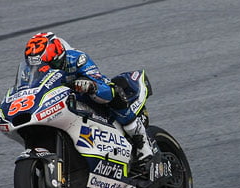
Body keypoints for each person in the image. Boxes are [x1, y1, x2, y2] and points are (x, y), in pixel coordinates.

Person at [23, 31, 157, 161]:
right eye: (40, 66)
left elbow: (102, 85)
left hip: (87, 99)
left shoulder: (77, 59)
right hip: (60, 104)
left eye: (50, 64)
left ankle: (142, 144)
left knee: (115, 92)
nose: (45, 69)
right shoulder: (29, 72)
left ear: (59, 56)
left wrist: (91, 86)